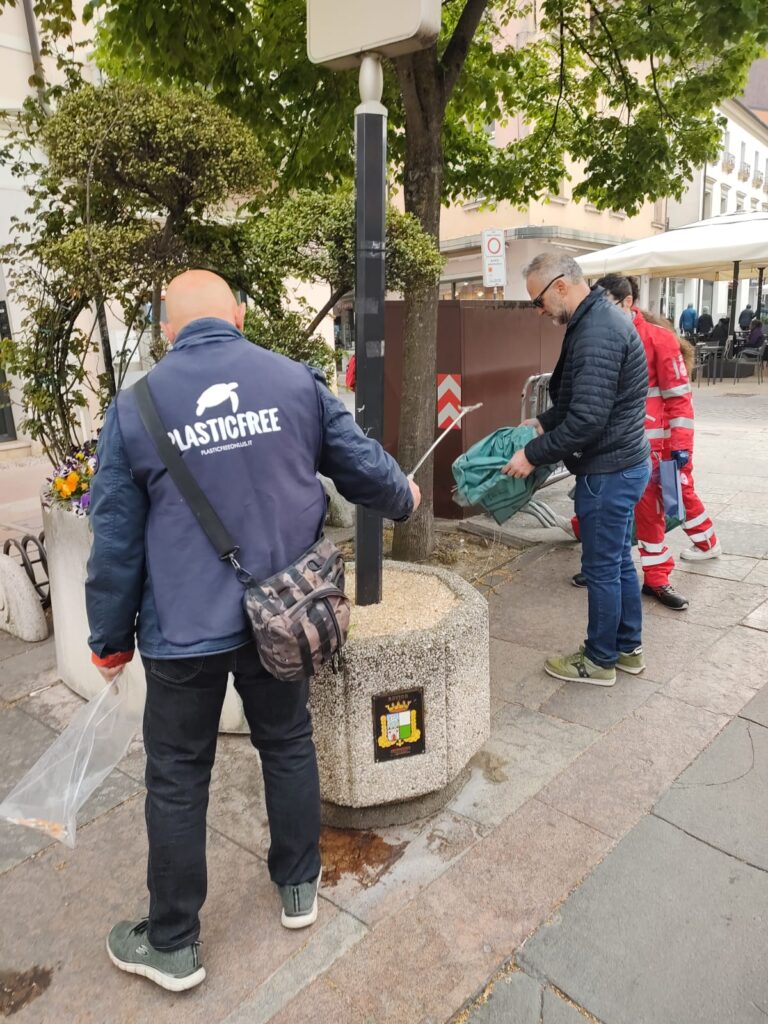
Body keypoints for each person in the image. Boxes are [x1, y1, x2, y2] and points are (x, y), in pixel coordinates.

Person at [85, 270, 421, 992]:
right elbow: (362, 466)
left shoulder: (136, 405)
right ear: (237, 316)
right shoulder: (294, 381)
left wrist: (108, 638)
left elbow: (114, 538)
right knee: (287, 743)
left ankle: (174, 943)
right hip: (286, 615)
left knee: (176, 779)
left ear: (165, 329)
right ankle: (299, 888)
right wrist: (404, 494)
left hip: (183, 632)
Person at [503, 254, 650, 686]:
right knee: (619, 562)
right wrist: (542, 422)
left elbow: (587, 420)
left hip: (609, 470)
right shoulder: (594, 319)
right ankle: (628, 649)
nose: (540, 311)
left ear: (561, 285)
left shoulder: (596, 330)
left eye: (539, 301)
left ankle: (600, 660)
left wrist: (532, 454)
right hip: (624, 463)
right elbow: (577, 400)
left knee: (603, 568)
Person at [604, 276, 720, 594]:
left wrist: (679, 447)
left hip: (658, 445)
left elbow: (679, 398)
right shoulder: (612, 336)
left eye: (606, 304)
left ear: (626, 302)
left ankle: (674, 563)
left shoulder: (657, 339)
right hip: (628, 442)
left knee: (669, 498)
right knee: (630, 503)